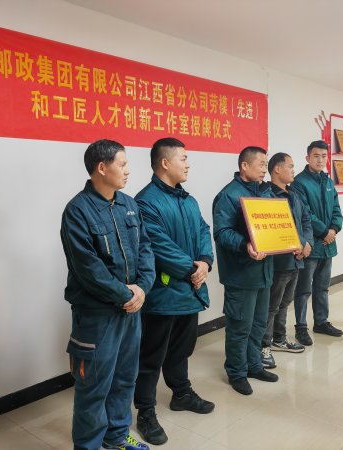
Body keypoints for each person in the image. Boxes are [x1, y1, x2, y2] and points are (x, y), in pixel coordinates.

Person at [60, 139, 155, 450]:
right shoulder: (77, 211)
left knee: (125, 379)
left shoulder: (129, 205)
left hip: (130, 311)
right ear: (102, 168)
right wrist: (126, 294)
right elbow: (88, 269)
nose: (128, 171)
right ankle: (87, 445)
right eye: (122, 164)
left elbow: (146, 249)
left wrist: (143, 287)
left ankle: (116, 437)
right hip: (97, 315)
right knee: (93, 386)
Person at [134, 138, 215, 445]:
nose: (188, 164)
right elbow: (158, 246)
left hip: (188, 291)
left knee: (182, 349)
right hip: (163, 293)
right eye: (183, 158)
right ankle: (145, 412)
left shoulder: (187, 200)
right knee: (151, 356)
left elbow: (203, 231)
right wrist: (193, 269)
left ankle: (181, 394)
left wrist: (205, 261)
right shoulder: (146, 201)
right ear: (165, 163)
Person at [213, 146, 278, 396]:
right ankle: (237, 372)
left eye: (266, 164)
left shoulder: (265, 192)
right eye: (261, 164)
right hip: (241, 273)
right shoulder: (228, 195)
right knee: (240, 326)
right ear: (244, 166)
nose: (265, 169)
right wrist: (245, 245)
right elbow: (222, 233)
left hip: (264, 272)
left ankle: (254, 365)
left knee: (259, 323)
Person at [260, 153, 313, 369]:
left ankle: (279, 339)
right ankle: (263, 346)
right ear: (277, 169)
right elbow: (279, 226)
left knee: (285, 302)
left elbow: (305, 220)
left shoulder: (294, 194)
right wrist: (299, 243)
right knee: (271, 306)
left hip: (297, 260)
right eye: (290, 166)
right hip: (279, 261)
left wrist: (307, 243)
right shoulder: (266, 196)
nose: (293, 170)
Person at [292, 140, 343, 346]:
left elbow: (336, 209)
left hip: (327, 245)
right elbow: (304, 213)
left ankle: (321, 322)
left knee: (322, 287)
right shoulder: (299, 182)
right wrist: (324, 231)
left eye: (324, 156)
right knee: (303, 289)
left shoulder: (328, 181)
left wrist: (334, 229)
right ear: (307, 158)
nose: (320, 160)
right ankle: (301, 327)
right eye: (316, 156)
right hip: (310, 244)